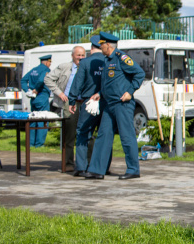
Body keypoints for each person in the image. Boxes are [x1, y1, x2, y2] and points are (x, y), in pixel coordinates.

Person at [85, 32, 145, 180]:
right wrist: (100, 93)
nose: (100, 47)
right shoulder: (107, 60)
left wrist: (130, 92)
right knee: (103, 136)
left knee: (126, 136)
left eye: (101, 45)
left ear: (108, 45)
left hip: (122, 104)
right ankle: (97, 170)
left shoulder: (121, 58)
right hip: (108, 103)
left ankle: (133, 169)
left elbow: (140, 73)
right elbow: (110, 82)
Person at [69, 36, 113, 177]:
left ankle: (81, 167)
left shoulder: (85, 62)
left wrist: (72, 100)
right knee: (105, 134)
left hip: (89, 102)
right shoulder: (109, 61)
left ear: (91, 48)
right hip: (106, 101)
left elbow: (78, 83)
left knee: (83, 133)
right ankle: (103, 167)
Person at [45, 45, 86, 171]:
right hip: (69, 102)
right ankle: (68, 163)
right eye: (78, 55)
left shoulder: (87, 67)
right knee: (69, 133)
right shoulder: (65, 67)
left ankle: (86, 163)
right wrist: (60, 93)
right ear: (72, 55)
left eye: (83, 55)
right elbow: (48, 79)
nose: (80, 57)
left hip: (84, 102)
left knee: (86, 133)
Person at [20, 54, 52, 147]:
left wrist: (28, 91)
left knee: (33, 119)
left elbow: (23, 80)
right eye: (50, 62)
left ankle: (31, 143)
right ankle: (39, 143)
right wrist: (36, 90)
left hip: (34, 98)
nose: (50, 64)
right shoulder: (46, 70)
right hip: (42, 96)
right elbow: (41, 81)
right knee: (43, 119)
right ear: (47, 62)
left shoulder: (34, 70)